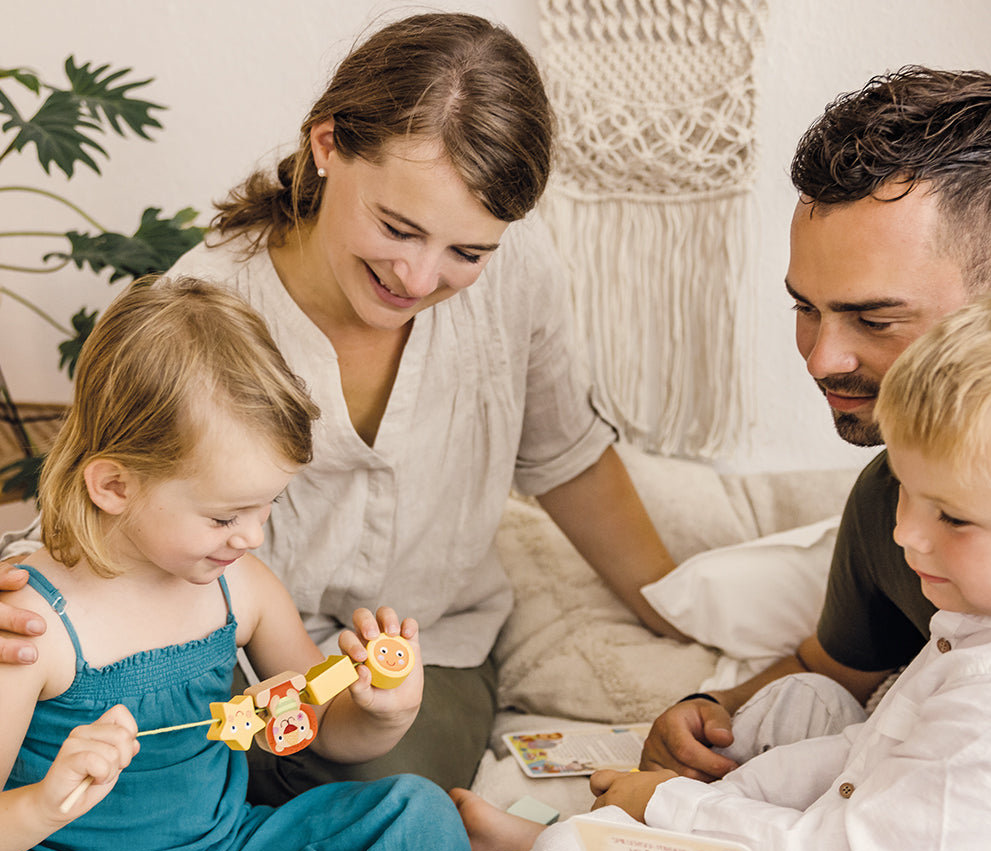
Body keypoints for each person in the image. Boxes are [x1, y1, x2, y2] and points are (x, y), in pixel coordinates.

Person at [0, 12, 681, 800]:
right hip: (209, 671)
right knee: (115, 799)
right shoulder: (207, 314)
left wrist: (680, 613)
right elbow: (103, 493)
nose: (420, 279)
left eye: (467, 252)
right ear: (327, 145)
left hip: (416, 660)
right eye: (397, 227)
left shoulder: (520, 273)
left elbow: (566, 456)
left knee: (387, 804)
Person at [455, 275, 991, 851]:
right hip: (883, 849)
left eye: (951, 517)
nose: (909, 538)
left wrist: (681, 809)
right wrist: (717, 782)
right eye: (909, 494)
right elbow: (866, 741)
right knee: (804, 703)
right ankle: (616, 840)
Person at [630, 67, 991, 851]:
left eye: (875, 319)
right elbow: (841, 672)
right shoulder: (892, 501)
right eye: (805, 309)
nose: (822, 357)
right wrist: (708, 713)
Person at [0, 277, 499, 851]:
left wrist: (381, 710)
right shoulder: (34, 626)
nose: (252, 536)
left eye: (268, 508)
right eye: (226, 515)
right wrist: (49, 796)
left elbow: (319, 728)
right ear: (115, 483)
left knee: (413, 810)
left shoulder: (239, 587)